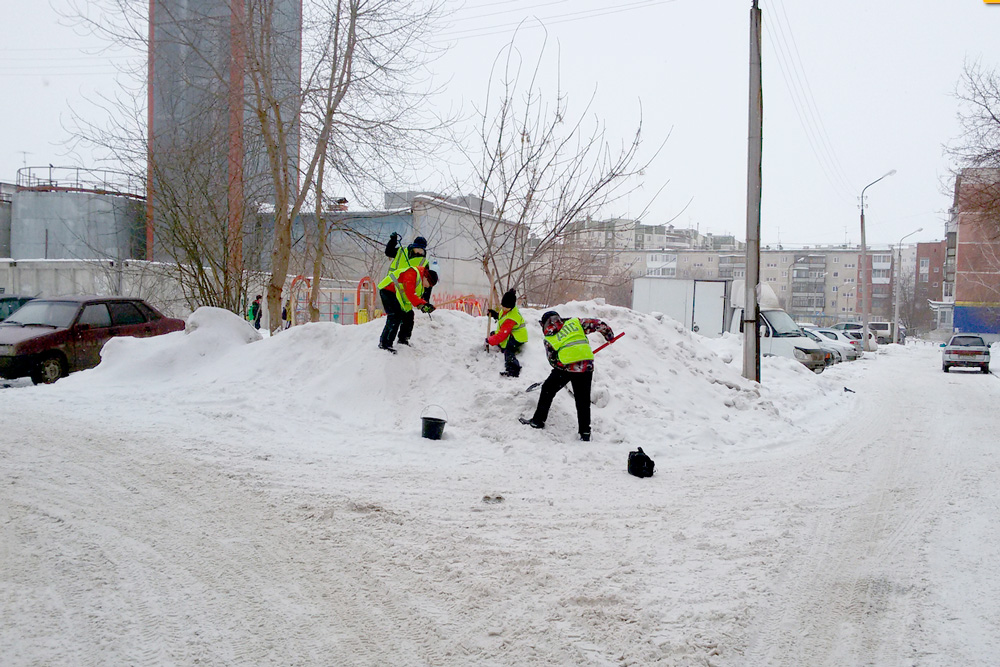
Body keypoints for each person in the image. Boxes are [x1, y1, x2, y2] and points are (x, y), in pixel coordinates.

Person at [519, 311, 614, 441]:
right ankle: (585, 433)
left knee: (548, 389)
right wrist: (608, 335)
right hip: (586, 364)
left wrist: (562, 369)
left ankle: (538, 421)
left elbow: (552, 361)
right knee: (583, 400)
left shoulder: (549, 338)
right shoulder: (575, 323)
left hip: (566, 368)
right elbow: (597, 324)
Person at [378, 234, 438, 353]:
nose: (420, 252)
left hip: (401, 292)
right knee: (395, 315)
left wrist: (425, 302)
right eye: (418, 249)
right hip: (390, 288)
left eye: (422, 250)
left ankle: (403, 340)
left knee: (408, 314)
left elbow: (419, 292)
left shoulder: (423, 264)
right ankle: (385, 344)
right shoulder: (403, 254)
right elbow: (389, 252)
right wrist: (393, 240)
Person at [485, 288, 527, 377]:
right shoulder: (506, 310)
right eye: (503, 306)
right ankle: (500, 345)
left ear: (511, 307)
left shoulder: (511, 318)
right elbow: (502, 318)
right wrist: (495, 314)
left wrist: (490, 341)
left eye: (506, 307)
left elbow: (501, 335)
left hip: (518, 337)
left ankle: (513, 370)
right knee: (493, 334)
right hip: (510, 333)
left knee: (508, 350)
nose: (504, 308)